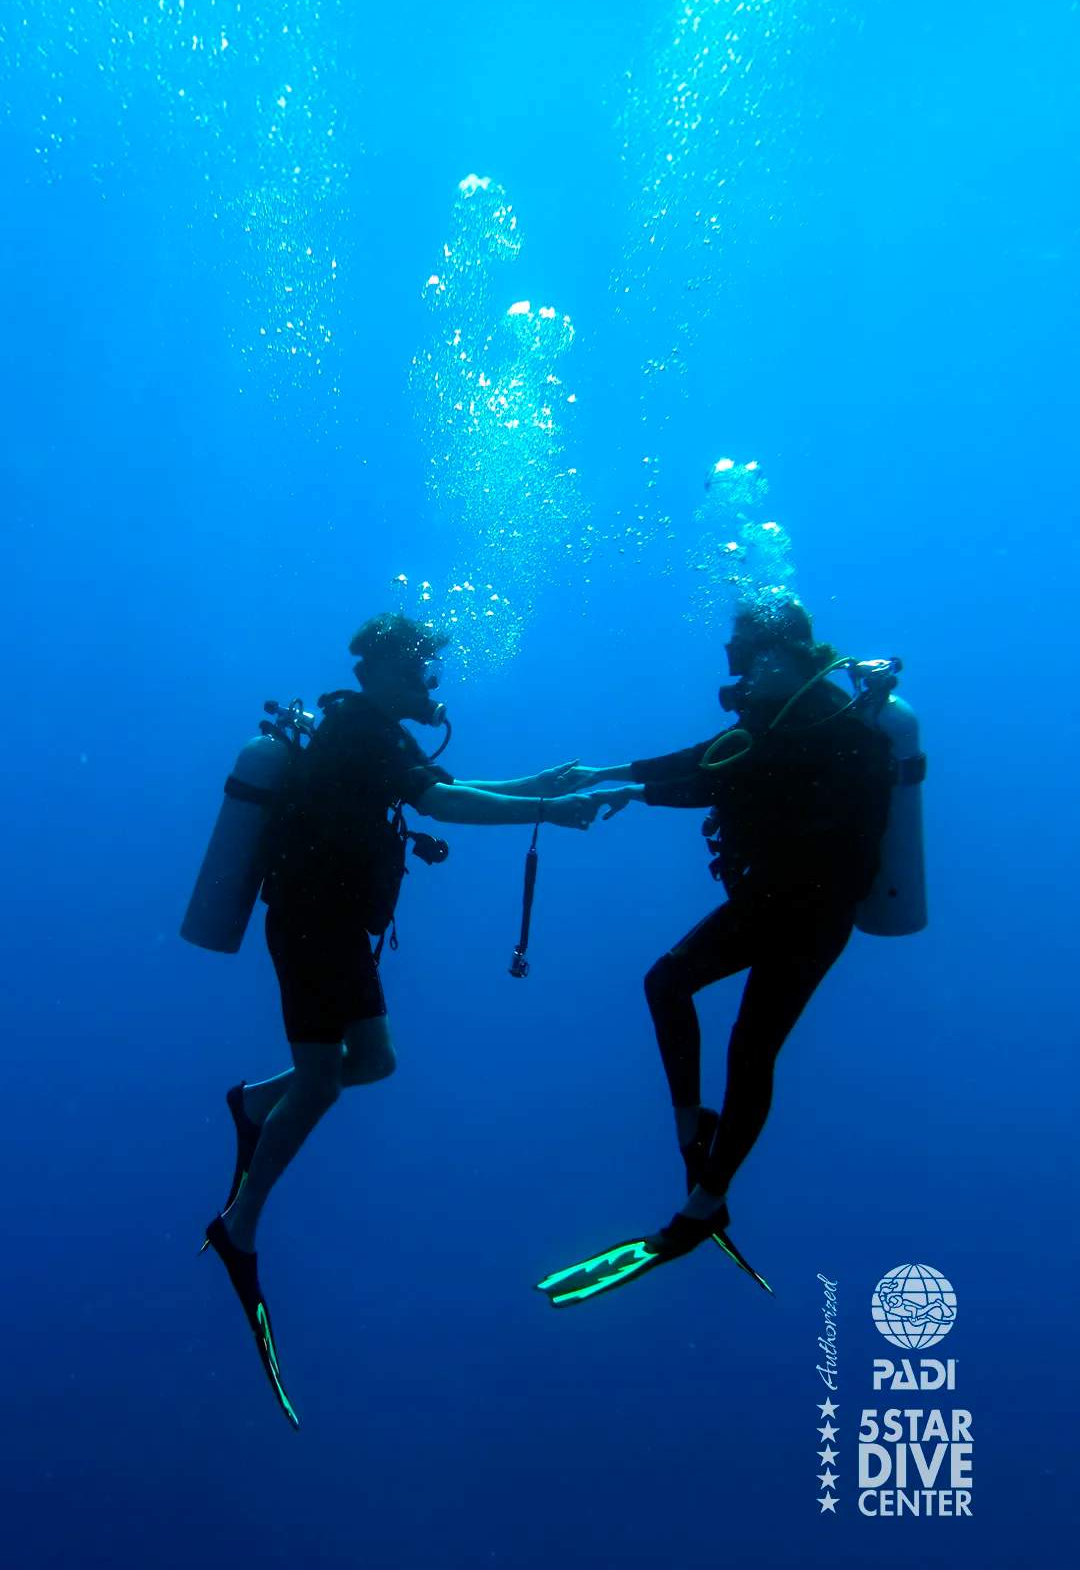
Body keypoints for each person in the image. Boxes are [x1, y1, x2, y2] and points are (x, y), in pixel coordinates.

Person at [203, 613, 602, 1420]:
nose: (432, 689)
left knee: (373, 1062)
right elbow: (446, 805)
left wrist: (541, 789)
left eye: (431, 676)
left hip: (335, 925)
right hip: (316, 923)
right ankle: (237, 1228)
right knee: (321, 1083)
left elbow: (448, 792)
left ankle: (250, 1105)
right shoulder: (363, 732)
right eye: (421, 674)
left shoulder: (373, 731)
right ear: (383, 672)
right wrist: (546, 809)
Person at [537, 595, 893, 1305]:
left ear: (786, 654)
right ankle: (693, 1137)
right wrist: (608, 772)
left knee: (750, 1048)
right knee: (666, 982)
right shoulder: (776, 718)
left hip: (813, 914)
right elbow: (709, 757)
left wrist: (632, 790)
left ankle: (703, 1206)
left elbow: (726, 777)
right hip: (764, 903)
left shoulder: (830, 725)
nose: (735, 670)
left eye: (745, 655)